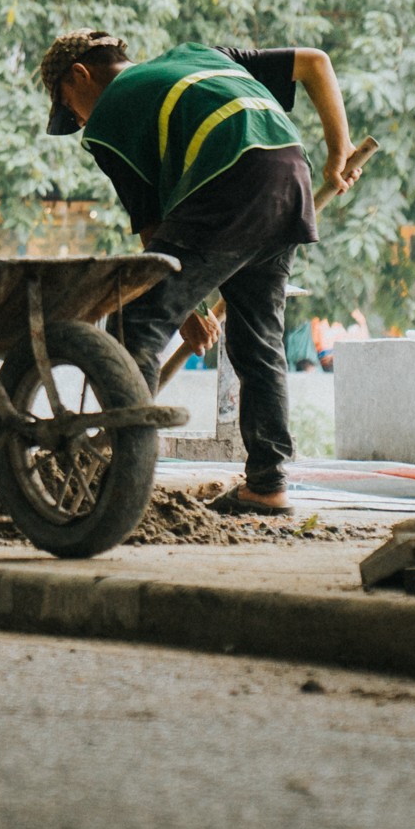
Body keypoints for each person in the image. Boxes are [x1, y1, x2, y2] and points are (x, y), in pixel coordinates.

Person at [39, 29, 360, 516]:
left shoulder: (107, 118)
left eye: (70, 108)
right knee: (258, 341)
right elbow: (316, 61)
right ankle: (267, 484)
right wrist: (339, 151)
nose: (80, 121)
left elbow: (152, 232)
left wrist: (180, 310)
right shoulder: (202, 56)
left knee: (137, 320)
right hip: (289, 178)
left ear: (80, 76)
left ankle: (123, 486)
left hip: (230, 181)